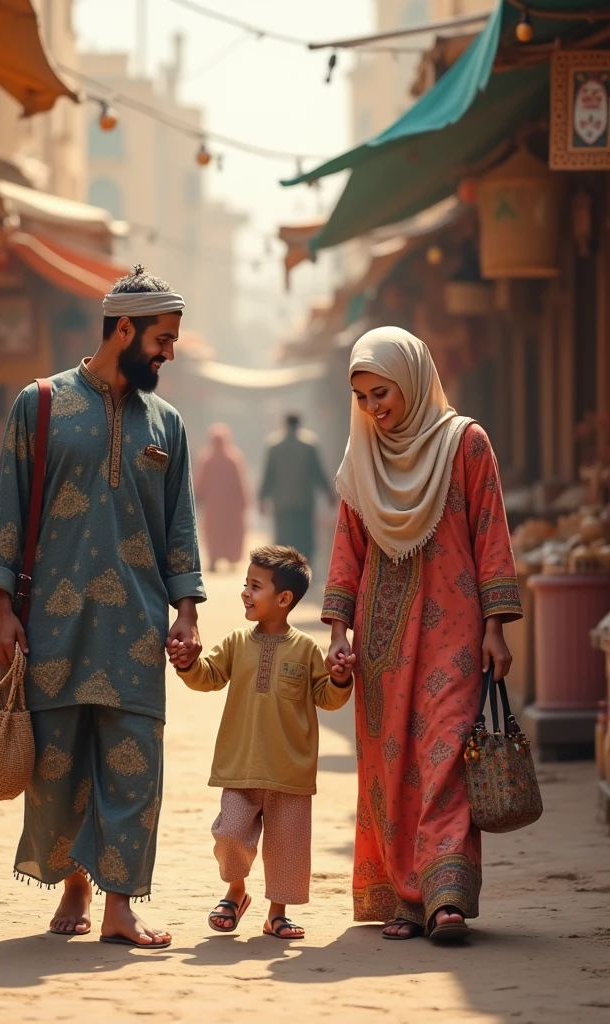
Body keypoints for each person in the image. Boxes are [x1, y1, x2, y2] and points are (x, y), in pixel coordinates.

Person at [0, 265, 205, 950]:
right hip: (54, 622)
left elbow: (180, 524)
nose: (168, 352)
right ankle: (75, 880)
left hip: (137, 627)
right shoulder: (39, 403)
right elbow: (8, 510)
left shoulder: (167, 423)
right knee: (57, 764)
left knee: (136, 761)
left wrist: (187, 610)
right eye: (162, 338)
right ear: (124, 329)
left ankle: (121, 906)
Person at [322, 327, 522, 944]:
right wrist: (336, 633)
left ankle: (446, 897)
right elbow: (347, 551)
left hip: (455, 633)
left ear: (410, 379)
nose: (374, 408)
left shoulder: (466, 444)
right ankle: (404, 901)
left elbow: (490, 533)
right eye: (362, 398)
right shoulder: (362, 462)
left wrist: (496, 628)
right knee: (392, 765)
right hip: (380, 640)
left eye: (382, 393)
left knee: (445, 758)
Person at [169, 545, 354, 940]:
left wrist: (339, 678)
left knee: (287, 849)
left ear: (284, 599)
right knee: (230, 835)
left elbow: (327, 697)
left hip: (290, 771)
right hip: (240, 766)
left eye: (256, 586)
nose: (245, 593)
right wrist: (188, 663)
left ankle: (277, 914)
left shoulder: (305, 650)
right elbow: (209, 676)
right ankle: (236, 891)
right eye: (245, 584)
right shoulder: (236, 641)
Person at [258, 414, 334, 566]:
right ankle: (304, 568)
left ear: (285, 424)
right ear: (299, 424)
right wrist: (329, 493)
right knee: (304, 537)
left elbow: (268, 475)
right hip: (303, 501)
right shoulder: (309, 445)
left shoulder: (274, 446)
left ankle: (284, 568)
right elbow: (318, 473)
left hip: (282, 503)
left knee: (284, 536)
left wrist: (262, 498)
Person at [194, 423, 250, 572]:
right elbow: (240, 482)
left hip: (213, 506)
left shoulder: (207, 458)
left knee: (213, 532)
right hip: (231, 506)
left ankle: (214, 559)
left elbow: (200, 482)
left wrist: (196, 498)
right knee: (231, 531)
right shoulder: (234, 458)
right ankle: (231, 557)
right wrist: (245, 501)